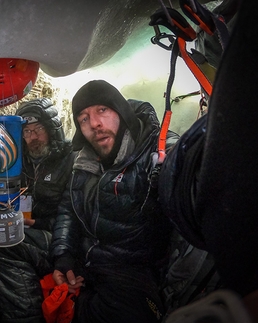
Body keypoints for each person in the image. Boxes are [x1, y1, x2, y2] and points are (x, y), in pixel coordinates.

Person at [49, 80, 179, 323]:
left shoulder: (155, 151)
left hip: (132, 273)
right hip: (86, 262)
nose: (95, 124)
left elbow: (185, 164)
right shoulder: (83, 162)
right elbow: (69, 209)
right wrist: (63, 255)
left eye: (102, 110)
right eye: (84, 118)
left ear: (121, 112)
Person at [0, 98, 77, 323]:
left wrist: (36, 224)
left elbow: (74, 216)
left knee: (6, 243)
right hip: (29, 228)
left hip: (57, 237)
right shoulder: (21, 161)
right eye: (26, 132)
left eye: (38, 129)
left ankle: (26, 317)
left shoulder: (71, 160)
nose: (33, 138)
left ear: (53, 129)